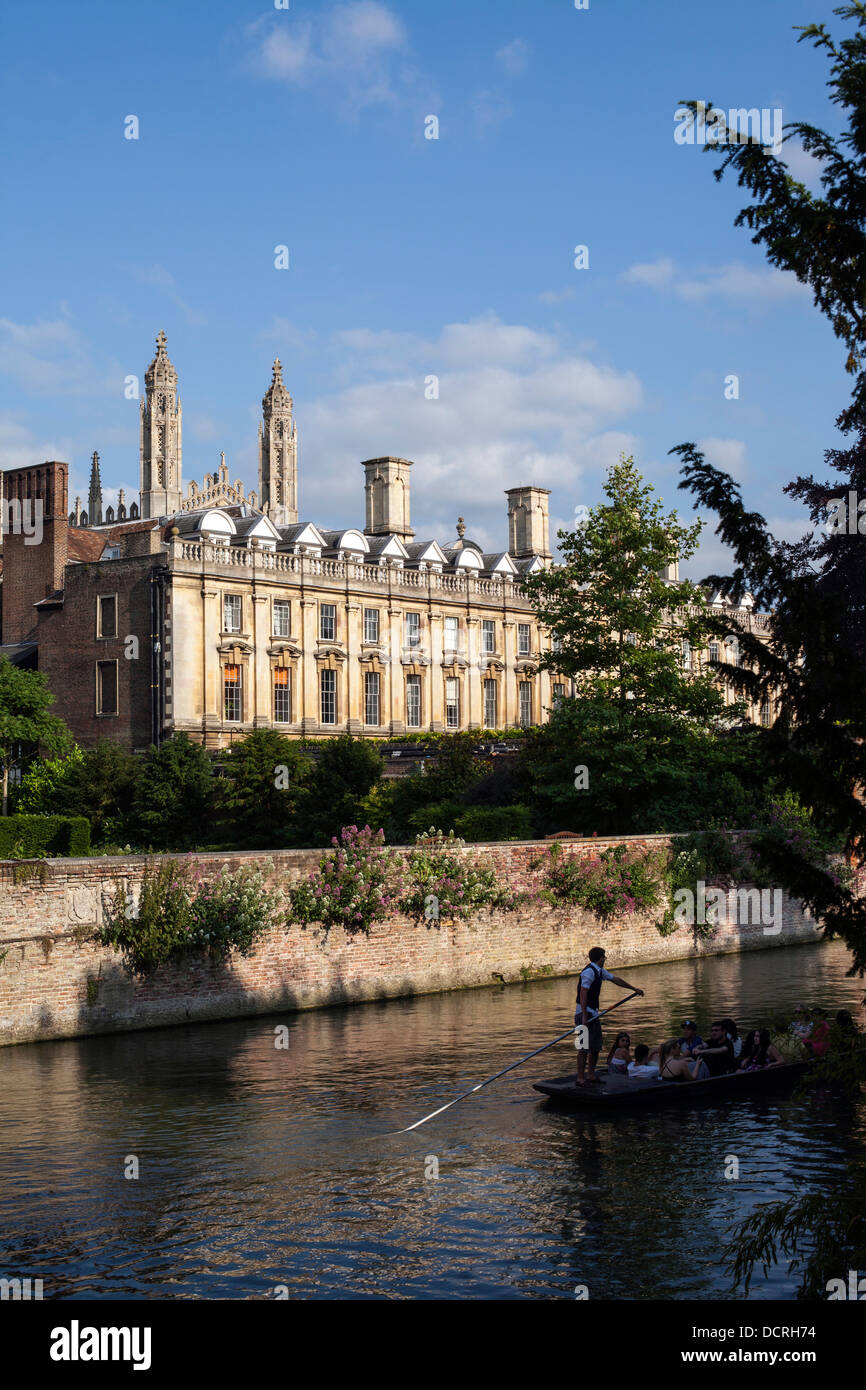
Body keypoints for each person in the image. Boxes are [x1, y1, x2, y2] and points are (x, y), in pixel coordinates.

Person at [574, 947, 645, 1086]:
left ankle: (591, 1075)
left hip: (593, 1014)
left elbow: (616, 980)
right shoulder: (589, 972)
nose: (605, 959)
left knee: (595, 1047)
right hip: (583, 1014)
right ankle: (580, 1078)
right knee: (583, 1048)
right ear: (600, 958)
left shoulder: (599, 972)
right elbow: (583, 993)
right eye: (604, 957)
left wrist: (634, 989)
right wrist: (583, 1016)